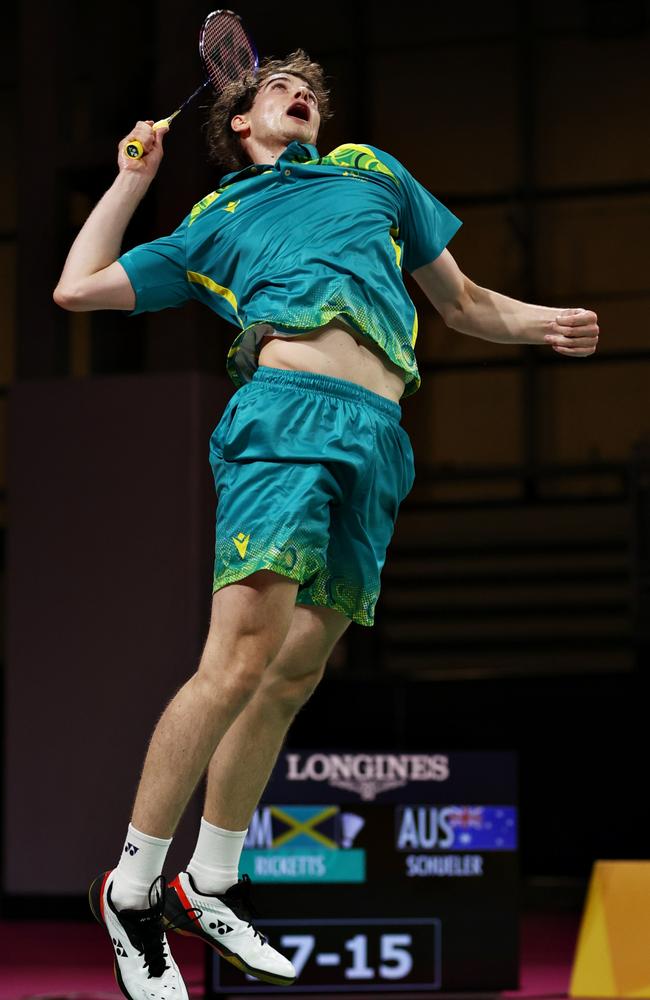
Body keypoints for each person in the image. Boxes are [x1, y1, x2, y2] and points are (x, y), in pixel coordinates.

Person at [53, 49, 599, 1000]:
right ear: (239, 126)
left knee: (294, 671)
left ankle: (210, 880)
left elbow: (463, 303)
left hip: (380, 439)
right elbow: (76, 287)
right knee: (235, 661)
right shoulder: (211, 223)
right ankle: (132, 887)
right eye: (276, 88)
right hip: (284, 422)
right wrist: (129, 182)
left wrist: (541, 321)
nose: (300, 94)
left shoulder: (373, 173)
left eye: (309, 89)